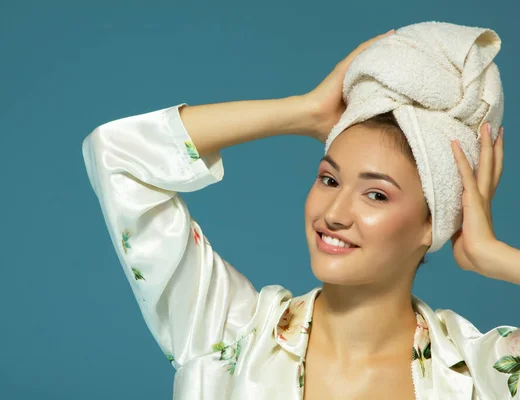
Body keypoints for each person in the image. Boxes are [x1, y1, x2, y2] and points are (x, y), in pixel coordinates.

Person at [81, 29, 517, 400]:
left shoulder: (483, 372)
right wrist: (303, 111)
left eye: (376, 195)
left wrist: (492, 256)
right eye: (329, 180)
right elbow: (118, 153)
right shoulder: (227, 334)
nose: (335, 212)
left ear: (432, 223)